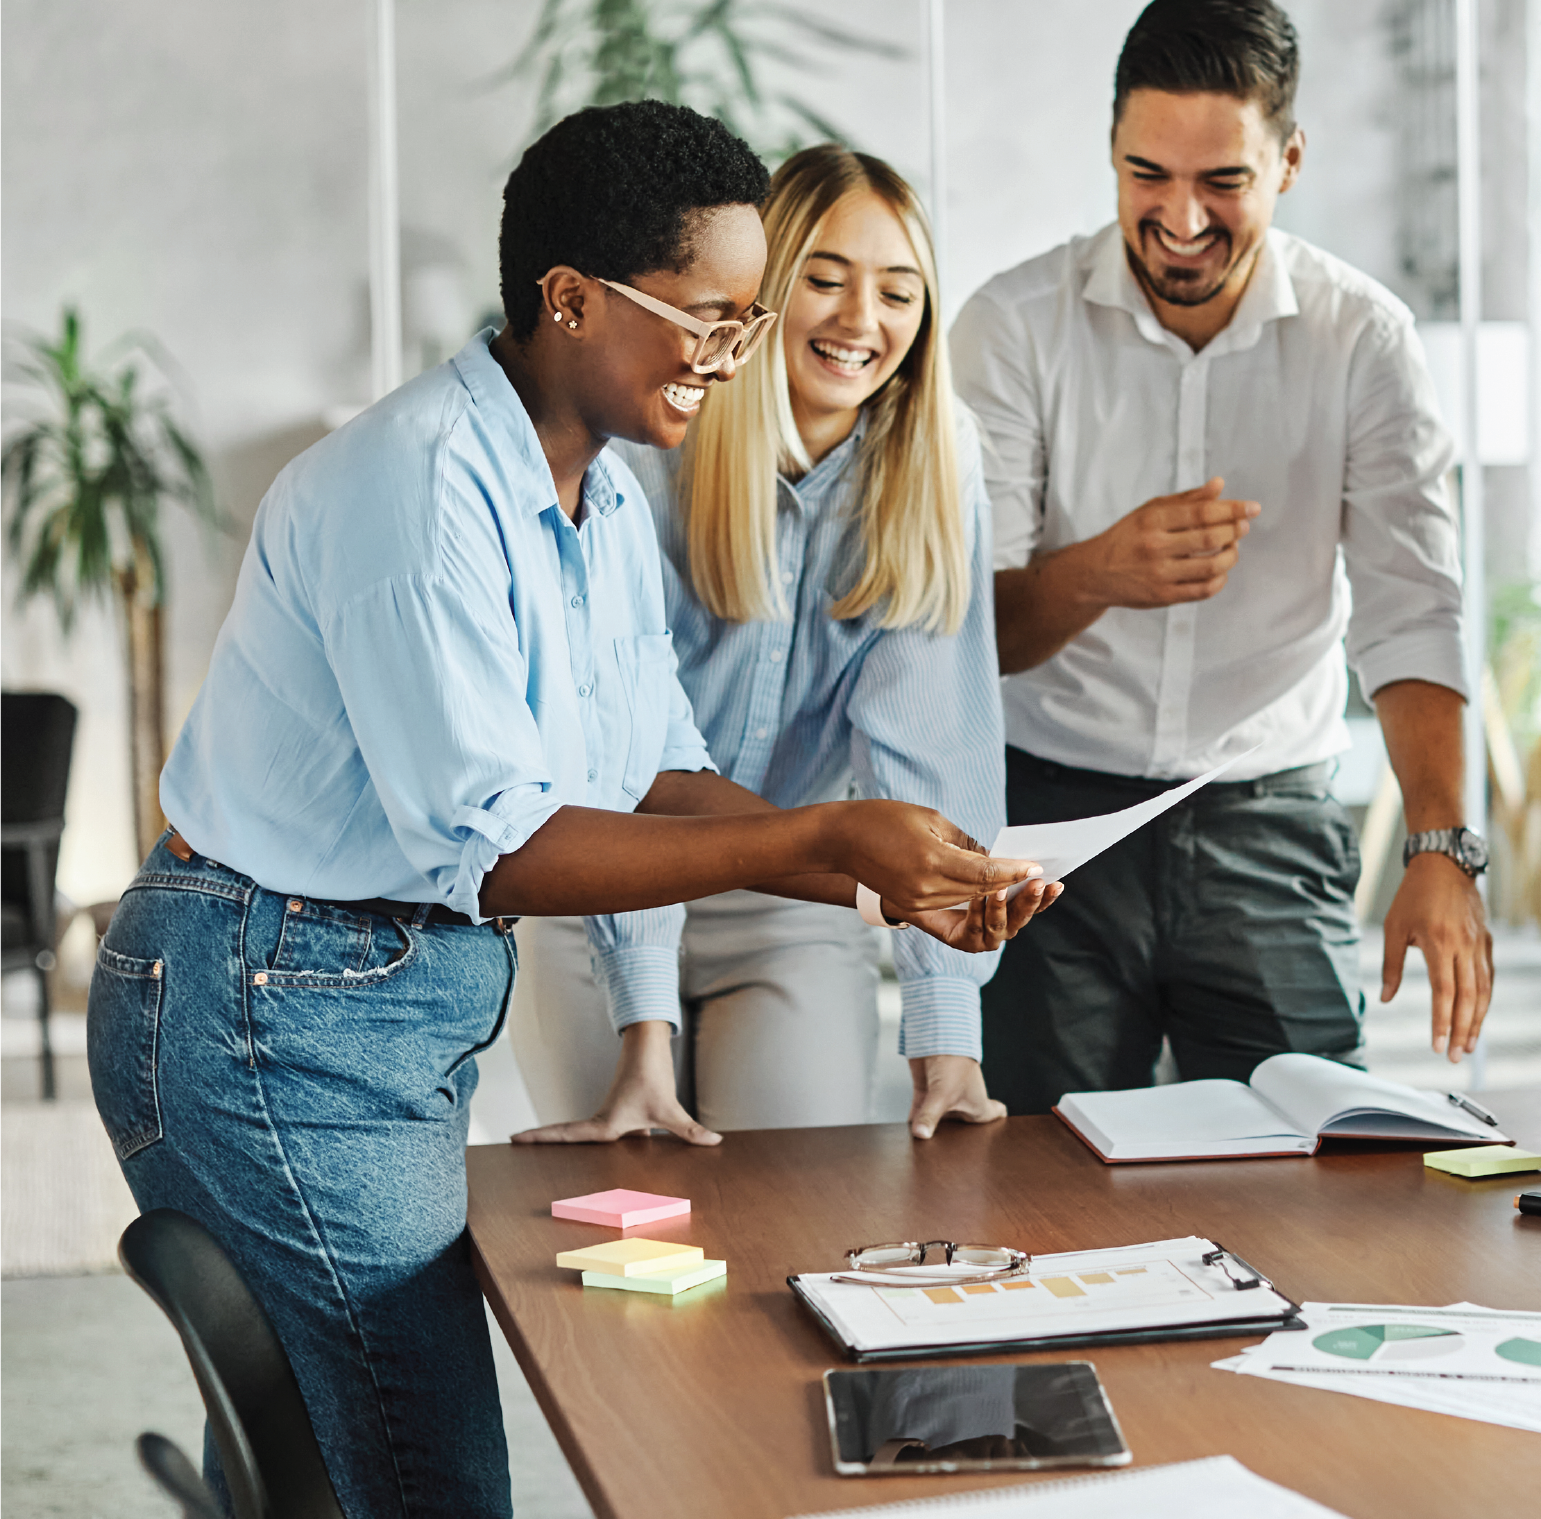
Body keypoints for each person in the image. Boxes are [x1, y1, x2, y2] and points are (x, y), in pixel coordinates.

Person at [84, 101, 1055, 1518]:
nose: (736, 360)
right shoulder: (420, 493)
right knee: (428, 1477)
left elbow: (651, 766)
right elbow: (506, 845)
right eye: (710, 321)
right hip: (265, 1009)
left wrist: (879, 879)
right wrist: (826, 839)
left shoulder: (593, 499)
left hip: (358, 996)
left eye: (746, 322)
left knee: (352, 1451)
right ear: (570, 301)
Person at [952, 0, 1488, 1114]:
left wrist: (1441, 845)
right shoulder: (1010, 327)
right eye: (1148, 175)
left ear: (1289, 163)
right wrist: (1100, 571)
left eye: (1223, 182)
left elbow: (1412, 608)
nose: (1182, 218)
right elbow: (965, 635)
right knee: (1036, 1183)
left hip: (1267, 819)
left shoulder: (1364, 340)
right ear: (1109, 149)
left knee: (1310, 1171)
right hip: (1048, 820)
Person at [512, 144, 1012, 1143]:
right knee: (622, 1214)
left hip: (792, 900)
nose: (861, 321)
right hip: (596, 898)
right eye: (823, 280)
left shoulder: (935, 470)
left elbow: (931, 758)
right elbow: (626, 766)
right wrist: (641, 1026)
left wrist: (945, 1025)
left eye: (898, 292)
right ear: (755, 296)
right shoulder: (651, 448)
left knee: (793, 1202)